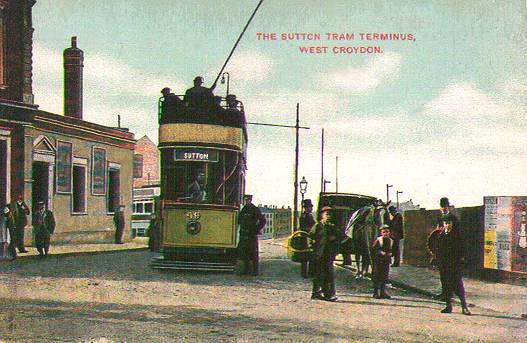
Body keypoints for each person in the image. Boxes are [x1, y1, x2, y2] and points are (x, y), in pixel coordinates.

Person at [309, 206, 348, 302]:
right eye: (327, 214)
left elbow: (343, 237)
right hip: (318, 254)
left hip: (329, 255)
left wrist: (335, 239)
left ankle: (328, 294)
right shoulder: (317, 226)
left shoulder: (332, 227)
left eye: (330, 214)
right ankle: (316, 293)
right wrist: (312, 246)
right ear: (322, 216)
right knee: (318, 274)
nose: (329, 216)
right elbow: (310, 237)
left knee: (329, 275)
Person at [436, 210, 472, 315]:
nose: (447, 225)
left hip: (454, 265)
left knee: (458, 286)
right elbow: (438, 249)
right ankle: (448, 306)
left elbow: (462, 249)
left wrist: (460, 260)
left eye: (449, 223)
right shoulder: (441, 235)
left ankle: (464, 307)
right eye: (445, 223)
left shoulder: (457, 235)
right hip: (444, 265)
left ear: (453, 223)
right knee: (446, 286)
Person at [238, 194, 266, 276]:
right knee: (245, 253)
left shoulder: (255, 209)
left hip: (251, 234)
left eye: (247, 200)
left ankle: (255, 271)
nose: (246, 201)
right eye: (245, 200)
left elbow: (263, 220)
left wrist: (256, 229)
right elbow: (239, 220)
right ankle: (246, 270)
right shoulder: (244, 209)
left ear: (250, 200)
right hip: (244, 233)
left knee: (253, 253)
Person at [372, 224, 393, 299]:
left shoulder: (390, 240)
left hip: (386, 261)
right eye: (384, 232)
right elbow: (374, 249)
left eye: (387, 232)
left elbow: (393, 249)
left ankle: (382, 292)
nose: (386, 233)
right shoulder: (378, 240)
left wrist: (391, 253)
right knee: (377, 276)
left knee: (384, 277)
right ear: (381, 233)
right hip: (378, 261)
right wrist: (380, 252)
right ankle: (375, 293)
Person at [299, 199, 316, 278]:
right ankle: (306, 273)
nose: (311, 209)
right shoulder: (304, 216)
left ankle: (309, 272)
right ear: (306, 208)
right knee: (306, 256)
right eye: (309, 207)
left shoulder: (309, 215)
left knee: (309, 256)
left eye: (311, 207)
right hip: (305, 237)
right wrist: (312, 229)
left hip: (308, 237)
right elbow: (303, 227)